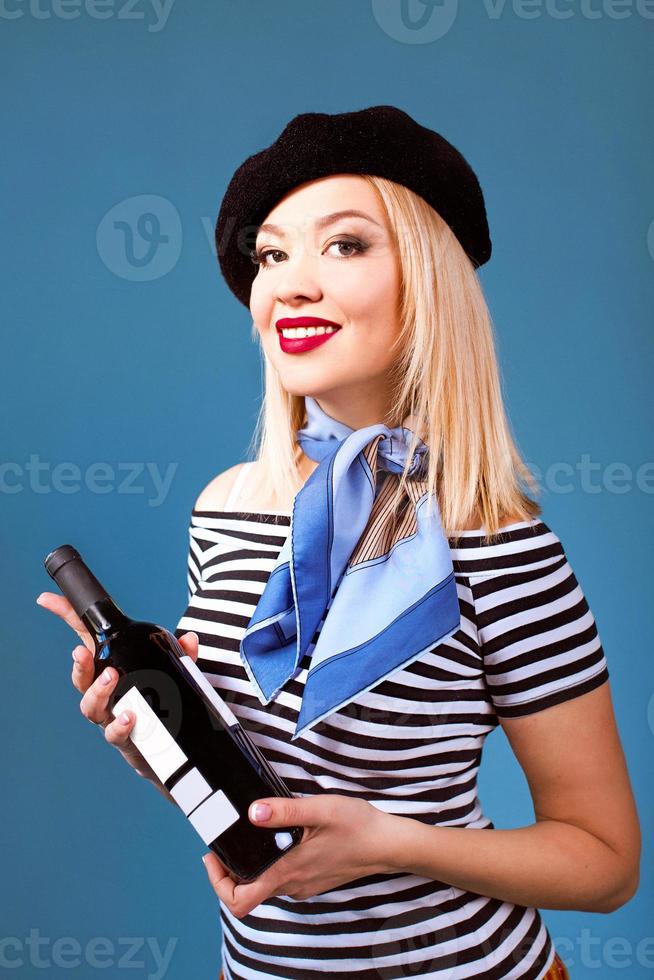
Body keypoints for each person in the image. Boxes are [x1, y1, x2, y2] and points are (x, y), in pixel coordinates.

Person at [37, 106, 640, 980]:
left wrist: (392, 843)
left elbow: (607, 862)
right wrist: (156, 744)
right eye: (272, 254)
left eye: (346, 246)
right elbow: (260, 770)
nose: (289, 284)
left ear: (428, 282)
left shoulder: (500, 543)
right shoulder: (225, 511)